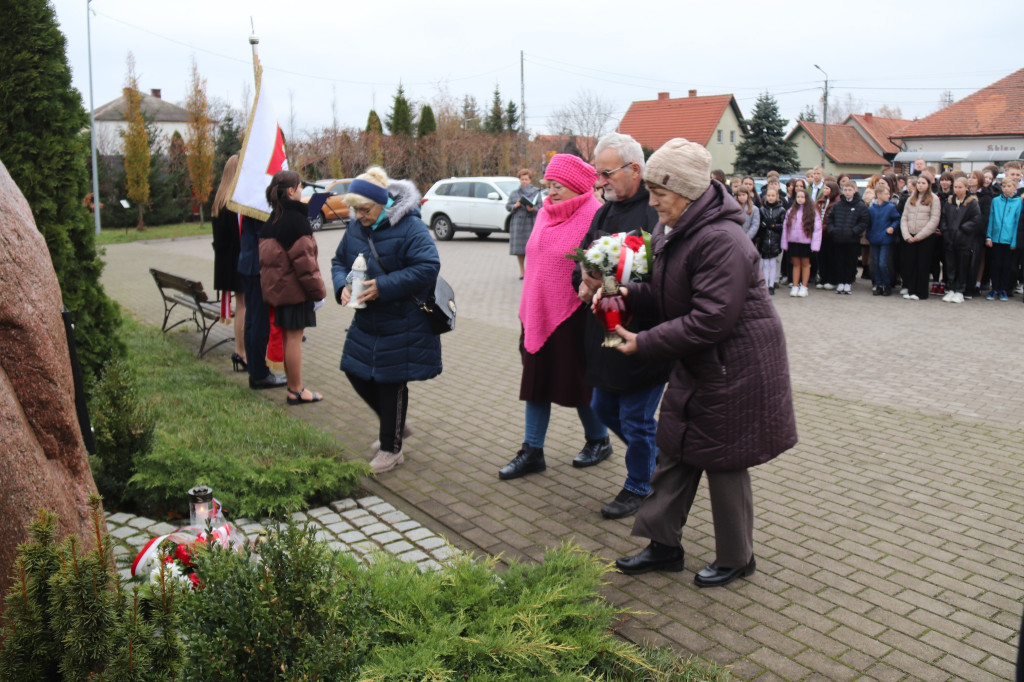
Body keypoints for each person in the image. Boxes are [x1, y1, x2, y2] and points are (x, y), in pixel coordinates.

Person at [607, 138, 797, 588]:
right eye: (650, 191)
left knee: (725, 460)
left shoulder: (722, 240)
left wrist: (645, 343)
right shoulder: (672, 230)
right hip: (701, 359)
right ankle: (662, 545)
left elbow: (710, 318)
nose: (652, 203)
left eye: (661, 194)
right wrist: (625, 292)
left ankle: (737, 557)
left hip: (736, 364)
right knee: (674, 449)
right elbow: (665, 293)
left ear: (690, 194)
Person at [499, 153, 610, 481]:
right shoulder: (546, 213)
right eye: (548, 185)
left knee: (577, 385)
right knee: (536, 382)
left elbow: (601, 267)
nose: (551, 192)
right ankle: (532, 451)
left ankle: (599, 440)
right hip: (537, 312)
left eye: (558, 185)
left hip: (574, 314)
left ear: (577, 186)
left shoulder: (595, 214)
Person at [575, 133, 669, 519]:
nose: (600, 182)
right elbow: (582, 258)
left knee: (635, 416)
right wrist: (583, 282)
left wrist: (620, 286)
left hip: (643, 332)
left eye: (606, 173)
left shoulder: (657, 211)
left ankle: (639, 486)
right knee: (603, 407)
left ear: (635, 169)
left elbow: (663, 277)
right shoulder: (604, 212)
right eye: (598, 174)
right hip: (605, 331)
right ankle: (663, 456)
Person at [331, 166, 442, 474]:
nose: (359, 215)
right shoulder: (356, 226)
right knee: (355, 370)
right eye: (354, 209)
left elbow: (428, 266)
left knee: (390, 381)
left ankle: (391, 449)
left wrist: (382, 287)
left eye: (364, 209)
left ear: (383, 203)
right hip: (367, 319)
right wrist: (341, 285)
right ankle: (394, 424)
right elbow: (339, 260)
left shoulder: (410, 227)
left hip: (402, 319)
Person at [259, 170, 327, 405]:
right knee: (294, 338)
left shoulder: (273, 218)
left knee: (289, 338)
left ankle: (292, 387)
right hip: (294, 292)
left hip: (280, 291)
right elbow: (306, 264)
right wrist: (319, 291)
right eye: (299, 186)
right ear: (290, 190)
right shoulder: (295, 220)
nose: (301, 190)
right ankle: (297, 390)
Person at [211, 155, 247, 371]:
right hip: (238, 262)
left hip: (225, 263)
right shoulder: (234, 203)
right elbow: (239, 237)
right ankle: (242, 351)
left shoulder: (219, 201)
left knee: (241, 306)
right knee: (244, 307)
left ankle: (240, 350)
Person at [900, 175, 941, 300]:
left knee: (922, 265)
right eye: (918, 183)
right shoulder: (911, 198)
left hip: (925, 237)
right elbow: (904, 218)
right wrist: (907, 235)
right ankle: (911, 290)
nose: (920, 185)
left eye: (923, 183)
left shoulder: (934, 199)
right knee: (910, 264)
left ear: (929, 185)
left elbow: (934, 220)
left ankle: (921, 292)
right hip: (910, 236)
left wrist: (919, 236)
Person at [940, 177, 981, 304]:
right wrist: (946, 230)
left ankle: (960, 290)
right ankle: (951, 288)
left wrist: (962, 229)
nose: (957, 190)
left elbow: (976, 219)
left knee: (962, 266)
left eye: (960, 187)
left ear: (966, 188)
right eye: (956, 187)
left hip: (964, 240)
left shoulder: (972, 203)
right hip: (950, 240)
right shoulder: (950, 201)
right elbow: (943, 218)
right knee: (950, 266)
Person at [827, 180, 870, 295]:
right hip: (838, 238)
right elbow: (830, 219)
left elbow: (864, 221)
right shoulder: (838, 204)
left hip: (852, 240)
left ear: (855, 190)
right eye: (845, 190)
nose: (847, 192)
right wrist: (832, 230)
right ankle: (840, 282)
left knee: (850, 262)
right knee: (839, 261)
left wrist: (854, 231)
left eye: (850, 190)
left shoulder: (860, 205)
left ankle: (848, 283)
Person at [985, 177, 1021, 301]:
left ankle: (1003, 289)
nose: (1006, 188)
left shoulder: (1018, 203)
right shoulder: (996, 201)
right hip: (995, 239)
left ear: (1015, 188)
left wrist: (1014, 241)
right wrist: (989, 236)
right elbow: (991, 218)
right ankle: (994, 288)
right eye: (1004, 186)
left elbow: (1017, 223)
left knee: (1007, 266)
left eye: (1009, 186)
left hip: (1009, 240)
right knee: (995, 265)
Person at [782, 188, 822, 297]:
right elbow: (785, 228)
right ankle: (795, 286)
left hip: (806, 243)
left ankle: (804, 287)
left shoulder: (812, 212)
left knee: (805, 264)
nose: (800, 199)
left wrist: (815, 245)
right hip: (793, 242)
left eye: (802, 197)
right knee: (795, 264)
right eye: (798, 197)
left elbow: (817, 229)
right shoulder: (791, 211)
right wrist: (784, 243)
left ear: (806, 198)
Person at [506, 168, 540, 280]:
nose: (524, 181)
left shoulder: (536, 192)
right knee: (520, 250)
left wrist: (533, 209)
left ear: (530, 180)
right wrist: (514, 206)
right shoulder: (515, 193)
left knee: (532, 249)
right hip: (518, 223)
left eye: (526, 179)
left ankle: (531, 271)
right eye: (522, 179)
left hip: (531, 222)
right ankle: (522, 272)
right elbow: (508, 206)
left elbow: (542, 207)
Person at [867, 182, 900, 296]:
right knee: (876, 263)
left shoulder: (891, 207)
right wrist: (869, 235)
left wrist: (892, 227)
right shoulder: (871, 209)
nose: (888, 196)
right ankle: (878, 284)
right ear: (878, 195)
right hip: (874, 238)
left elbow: (897, 219)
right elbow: (869, 224)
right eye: (886, 194)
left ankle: (886, 284)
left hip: (885, 239)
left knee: (882, 263)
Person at [757, 186, 787, 294]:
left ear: (777, 197)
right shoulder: (762, 209)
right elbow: (759, 224)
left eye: (773, 195)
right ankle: (765, 284)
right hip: (764, 240)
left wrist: (774, 226)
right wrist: (763, 225)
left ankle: (771, 284)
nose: (770, 198)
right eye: (768, 195)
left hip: (775, 240)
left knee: (773, 262)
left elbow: (783, 225)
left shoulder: (781, 209)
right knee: (765, 263)